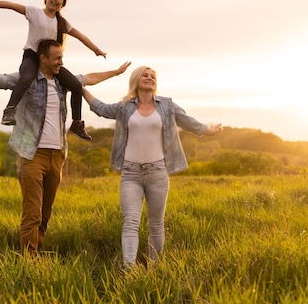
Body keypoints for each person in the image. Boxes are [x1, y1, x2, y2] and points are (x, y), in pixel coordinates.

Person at [0, 39, 130, 254]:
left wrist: (115, 72)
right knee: (32, 213)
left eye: (62, 57)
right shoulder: (24, 80)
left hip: (57, 154)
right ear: (43, 58)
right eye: (57, 58)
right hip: (32, 154)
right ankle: (29, 261)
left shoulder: (62, 82)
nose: (61, 62)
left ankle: (37, 251)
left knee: (45, 213)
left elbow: (90, 78)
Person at [82, 65, 222, 269]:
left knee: (155, 224)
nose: (149, 78)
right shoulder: (125, 106)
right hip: (131, 173)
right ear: (136, 80)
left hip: (158, 172)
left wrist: (208, 130)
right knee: (130, 222)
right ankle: (129, 271)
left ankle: (154, 269)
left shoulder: (167, 105)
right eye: (145, 75)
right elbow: (101, 109)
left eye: (153, 76)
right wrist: (80, 88)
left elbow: (187, 121)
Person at [0, 0, 107, 141]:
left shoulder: (61, 23)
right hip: (32, 57)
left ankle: (77, 123)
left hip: (50, 62)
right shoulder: (34, 12)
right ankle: (9, 110)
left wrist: (96, 50)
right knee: (27, 77)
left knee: (75, 85)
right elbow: (11, 5)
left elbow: (80, 35)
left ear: (62, 4)